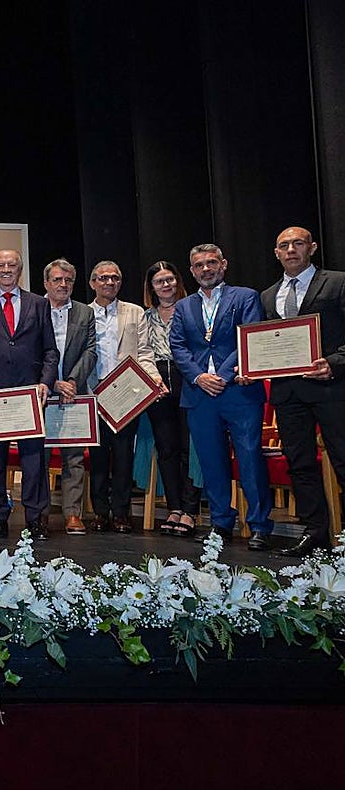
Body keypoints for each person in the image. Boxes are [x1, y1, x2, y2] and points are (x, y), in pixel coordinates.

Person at [170, 243, 272, 550]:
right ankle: (220, 523)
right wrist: (200, 377)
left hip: (239, 392)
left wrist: (223, 377)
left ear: (223, 265)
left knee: (249, 459)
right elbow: (178, 346)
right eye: (199, 265)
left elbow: (249, 336)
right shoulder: (183, 306)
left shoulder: (246, 297)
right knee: (211, 462)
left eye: (211, 263)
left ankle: (258, 525)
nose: (206, 269)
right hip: (200, 394)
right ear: (192, 271)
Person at [258, 226, 345, 556]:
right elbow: (265, 345)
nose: (291, 249)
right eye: (284, 245)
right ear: (276, 253)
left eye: (297, 243)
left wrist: (334, 363)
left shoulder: (337, 282)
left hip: (330, 387)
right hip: (288, 393)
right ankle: (315, 532)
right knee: (300, 464)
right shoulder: (268, 296)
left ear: (312, 247)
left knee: (342, 458)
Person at [0, 249, 59, 540]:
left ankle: (35, 519)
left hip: (30, 393)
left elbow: (50, 350)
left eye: (12, 265)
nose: (6, 269)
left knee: (33, 459)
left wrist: (45, 382)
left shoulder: (39, 304)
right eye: (1, 265)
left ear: (20, 270)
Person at [85, 260, 160, 534]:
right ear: (93, 282)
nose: (109, 283)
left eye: (115, 278)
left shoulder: (135, 312)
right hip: (93, 393)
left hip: (126, 393)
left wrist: (154, 379)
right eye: (103, 278)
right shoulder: (83, 313)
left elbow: (144, 351)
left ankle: (121, 513)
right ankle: (100, 513)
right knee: (98, 457)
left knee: (123, 455)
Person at [142, 260, 201, 538]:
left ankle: (190, 510)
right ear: (151, 288)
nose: (165, 285)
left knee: (190, 448)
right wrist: (153, 379)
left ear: (178, 281)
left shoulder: (194, 308)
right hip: (157, 384)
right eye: (159, 282)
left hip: (188, 379)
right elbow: (142, 353)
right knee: (166, 449)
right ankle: (174, 507)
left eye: (169, 279)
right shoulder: (146, 316)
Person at [42, 258, 96, 536]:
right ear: (46, 283)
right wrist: (52, 382)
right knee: (37, 455)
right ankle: (38, 513)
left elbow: (91, 350)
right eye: (57, 280)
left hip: (74, 393)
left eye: (68, 280)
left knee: (73, 457)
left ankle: (73, 515)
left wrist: (72, 381)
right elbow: (28, 351)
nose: (63, 285)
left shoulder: (85, 313)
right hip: (42, 392)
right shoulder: (33, 308)